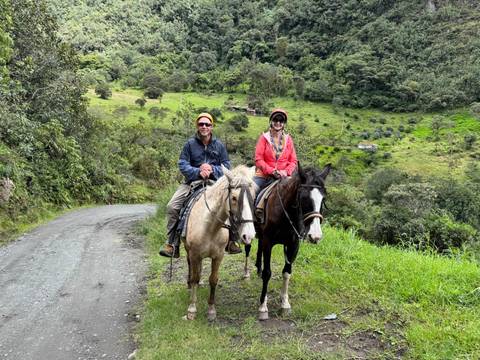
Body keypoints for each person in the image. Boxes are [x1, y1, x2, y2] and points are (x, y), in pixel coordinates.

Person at [159, 112, 241, 257]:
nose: (204, 126)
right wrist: (198, 171)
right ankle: (172, 243)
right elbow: (182, 164)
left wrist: (212, 170)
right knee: (172, 206)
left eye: (207, 124)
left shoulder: (219, 145)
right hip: (192, 183)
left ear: (212, 126)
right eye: (201, 124)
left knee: (232, 202)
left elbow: (227, 164)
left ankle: (232, 240)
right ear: (197, 126)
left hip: (215, 183)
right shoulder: (190, 144)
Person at [253, 108, 298, 196]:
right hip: (264, 176)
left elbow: (293, 161)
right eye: (275, 120)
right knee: (250, 194)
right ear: (271, 121)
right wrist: (272, 171)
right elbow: (258, 159)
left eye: (281, 120)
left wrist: (286, 172)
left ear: (284, 123)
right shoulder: (264, 138)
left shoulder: (288, 140)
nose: (278, 123)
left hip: (284, 177)